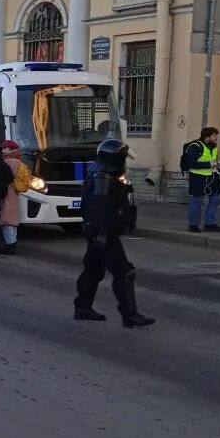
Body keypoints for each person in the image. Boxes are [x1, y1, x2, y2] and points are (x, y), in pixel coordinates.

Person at [74, 139, 154, 328]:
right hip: (105, 233)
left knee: (93, 271)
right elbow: (98, 208)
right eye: (123, 157)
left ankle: (83, 308)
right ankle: (129, 314)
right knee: (125, 272)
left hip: (98, 232)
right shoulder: (104, 177)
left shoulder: (101, 174)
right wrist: (102, 233)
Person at [182, 126, 220, 232]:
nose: (216, 138)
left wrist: (216, 167)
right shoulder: (195, 146)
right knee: (197, 201)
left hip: (212, 177)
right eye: (214, 136)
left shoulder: (214, 147)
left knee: (215, 199)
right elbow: (193, 164)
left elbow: (212, 162)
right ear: (207, 136)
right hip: (197, 177)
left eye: (216, 136)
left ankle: (209, 224)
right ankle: (193, 225)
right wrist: (210, 164)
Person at [0, 140, 32, 255]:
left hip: (7, 192)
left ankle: (10, 245)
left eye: (5, 148)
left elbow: (4, 178)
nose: (3, 150)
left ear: (11, 150)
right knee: (12, 219)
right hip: (14, 192)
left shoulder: (8, 162)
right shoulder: (19, 161)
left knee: (6, 219)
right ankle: (13, 242)